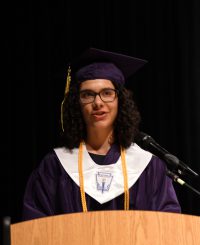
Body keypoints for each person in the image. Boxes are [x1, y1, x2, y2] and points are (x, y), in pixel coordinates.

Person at [22, 48, 181, 220]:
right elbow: (35, 230)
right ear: (77, 104)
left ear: (120, 100)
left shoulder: (149, 168)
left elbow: (168, 228)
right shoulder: (54, 167)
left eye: (107, 93)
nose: (98, 102)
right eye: (87, 95)